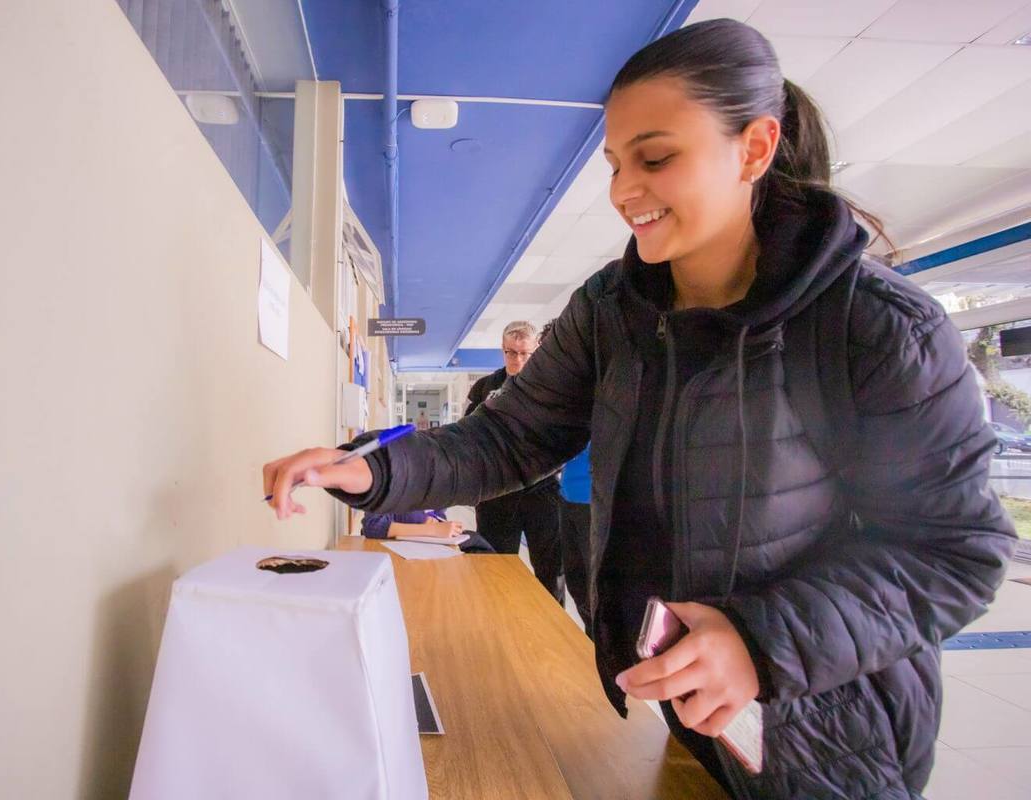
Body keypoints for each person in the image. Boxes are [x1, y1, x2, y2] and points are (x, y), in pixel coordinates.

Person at [263, 19, 1015, 799]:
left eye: (656, 158)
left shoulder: (882, 326)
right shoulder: (614, 309)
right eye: (616, 165)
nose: (624, 192)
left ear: (754, 149)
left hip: (824, 727)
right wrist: (374, 469)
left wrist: (760, 643)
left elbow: (954, 555)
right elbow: (511, 436)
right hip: (688, 700)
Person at [464, 320, 565, 603]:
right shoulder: (486, 387)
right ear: (502, 350)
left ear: (536, 352)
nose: (517, 359)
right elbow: (470, 434)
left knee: (551, 570)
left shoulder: (552, 389)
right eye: (510, 352)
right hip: (498, 492)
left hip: (541, 490)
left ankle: (551, 633)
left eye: (524, 353)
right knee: (495, 566)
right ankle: (498, 624)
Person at [540, 319, 594, 636]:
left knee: (594, 594)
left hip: (595, 506)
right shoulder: (565, 395)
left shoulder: (600, 390)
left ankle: (606, 665)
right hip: (569, 500)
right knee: (576, 585)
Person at [360, 509, 495, 553]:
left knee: (476, 542)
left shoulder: (440, 479)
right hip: (392, 551)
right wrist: (430, 529)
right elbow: (373, 526)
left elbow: (438, 513)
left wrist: (441, 523)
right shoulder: (393, 475)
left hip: (429, 549)